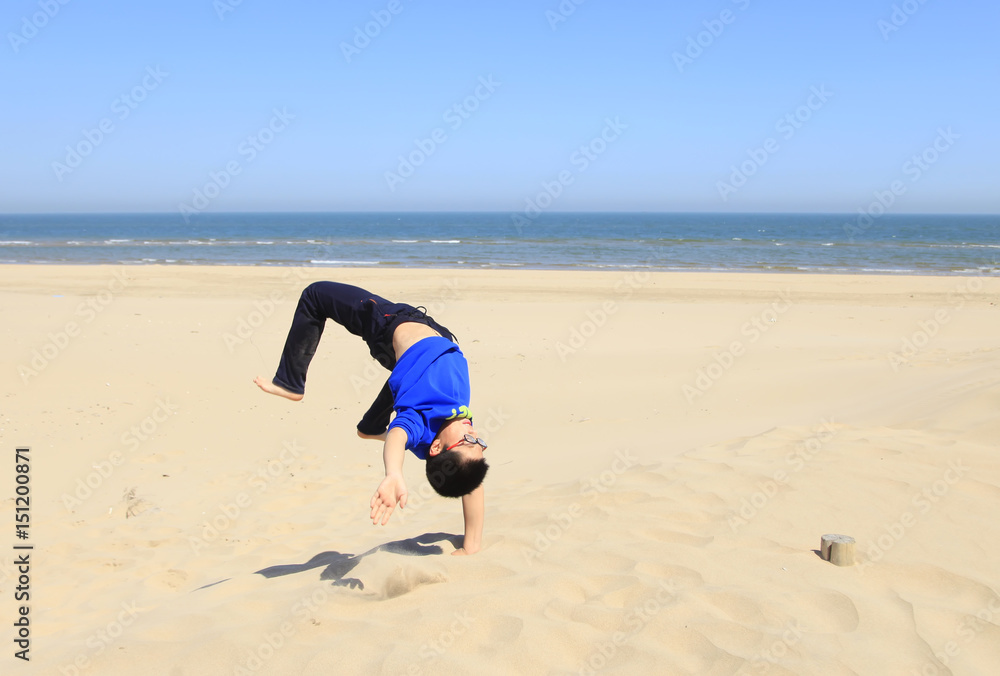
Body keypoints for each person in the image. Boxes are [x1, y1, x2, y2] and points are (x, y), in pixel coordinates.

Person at [253, 281, 487, 556]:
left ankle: (290, 382)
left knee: (315, 295)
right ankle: (371, 428)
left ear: (437, 447)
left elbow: (398, 437)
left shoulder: (417, 420)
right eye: (479, 443)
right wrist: (471, 545)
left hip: (389, 327)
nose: (474, 434)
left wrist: (394, 474)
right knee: (402, 387)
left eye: (468, 441)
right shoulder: (456, 427)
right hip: (431, 344)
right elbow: (471, 483)